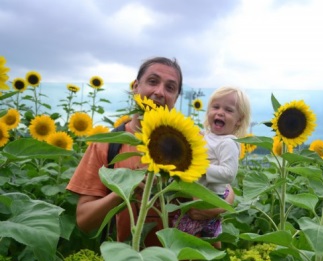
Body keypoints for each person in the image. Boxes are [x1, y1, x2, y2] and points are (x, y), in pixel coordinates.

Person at [66, 57, 234, 246]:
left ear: (176, 98)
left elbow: (225, 188)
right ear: (136, 87)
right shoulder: (107, 145)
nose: (160, 92)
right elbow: (84, 220)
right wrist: (124, 190)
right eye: (153, 82)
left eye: (170, 88)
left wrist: (217, 208)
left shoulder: (192, 140)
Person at [175, 86, 251, 247]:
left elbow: (229, 173)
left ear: (239, 120)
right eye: (215, 107)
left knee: (189, 240)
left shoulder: (228, 143)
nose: (220, 112)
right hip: (198, 196)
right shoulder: (207, 137)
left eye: (229, 110)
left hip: (210, 199)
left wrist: (200, 167)